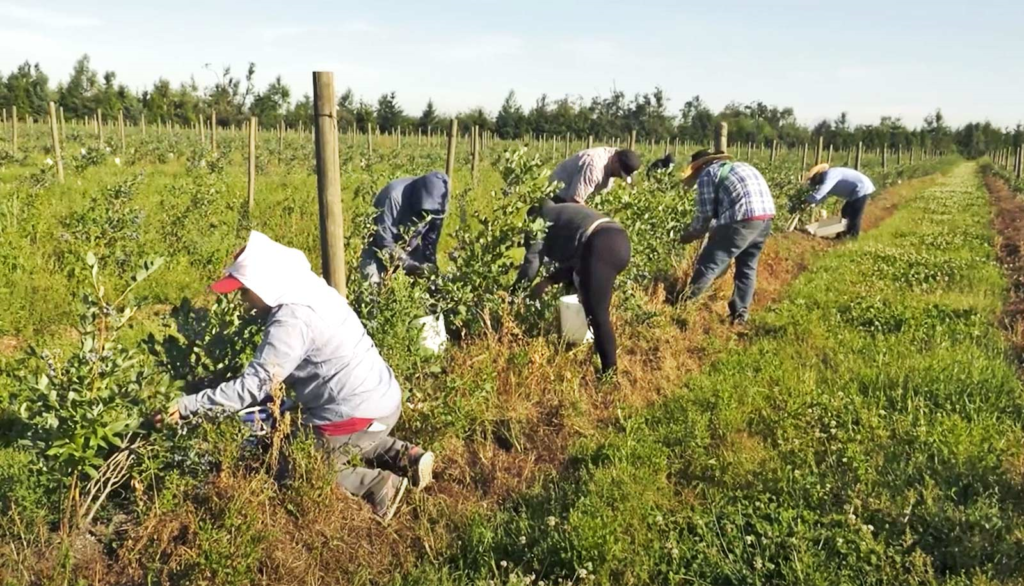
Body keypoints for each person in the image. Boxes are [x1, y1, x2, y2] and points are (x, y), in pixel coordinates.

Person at [159, 231, 434, 522]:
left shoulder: (292, 320)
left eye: (244, 290)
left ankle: (378, 486)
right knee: (338, 437)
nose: (243, 300)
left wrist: (187, 406)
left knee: (292, 464)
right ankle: (408, 456)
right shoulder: (307, 286)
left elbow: (253, 386)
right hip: (384, 399)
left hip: (357, 412)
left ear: (263, 286)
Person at [513, 198, 631, 375]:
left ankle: (610, 375)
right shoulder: (563, 213)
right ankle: (593, 350)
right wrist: (548, 281)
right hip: (619, 240)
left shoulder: (539, 223)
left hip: (601, 244)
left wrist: (514, 295)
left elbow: (531, 265)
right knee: (590, 300)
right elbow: (577, 262)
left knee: (597, 313)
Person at [679, 150, 776, 325]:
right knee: (747, 267)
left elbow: (704, 216)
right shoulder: (742, 166)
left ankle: (684, 307)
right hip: (765, 218)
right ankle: (740, 316)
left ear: (699, 167)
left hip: (742, 219)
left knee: (709, 264)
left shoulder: (707, 174)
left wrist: (688, 235)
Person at [360, 171, 449, 284]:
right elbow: (384, 241)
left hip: (410, 246)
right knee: (372, 287)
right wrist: (409, 264)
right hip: (376, 248)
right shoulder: (393, 196)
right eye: (424, 212)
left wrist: (429, 266)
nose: (427, 216)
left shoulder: (438, 206)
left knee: (430, 284)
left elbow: (431, 239)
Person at [803, 164, 875, 238]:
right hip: (856, 191)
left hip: (862, 188)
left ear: (818, 176)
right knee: (845, 211)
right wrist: (812, 202)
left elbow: (822, 191)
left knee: (854, 214)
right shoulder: (828, 178)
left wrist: (807, 200)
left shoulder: (830, 175)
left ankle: (853, 236)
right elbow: (824, 195)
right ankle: (843, 234)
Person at [549, 146, 642, 204]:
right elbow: (574, 200)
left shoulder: (613, 159)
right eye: (619, 173)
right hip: (557, 196)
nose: (619, 177)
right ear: (616, 161)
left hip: (574, 196)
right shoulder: (594, 167)